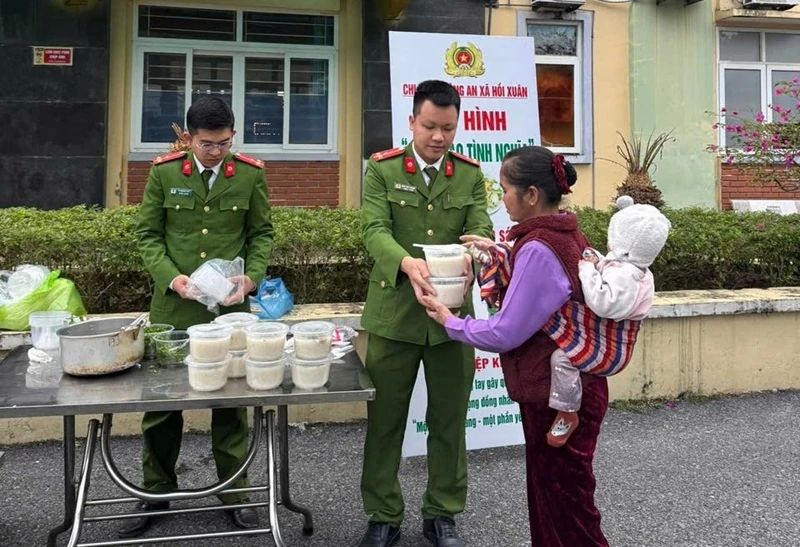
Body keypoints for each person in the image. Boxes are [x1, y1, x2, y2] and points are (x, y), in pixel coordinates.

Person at [423, 146, 611, 546]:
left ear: (530, 195)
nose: (500, 199)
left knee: (567, 507)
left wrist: (450, 321)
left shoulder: (540, 248)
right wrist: (498, 252)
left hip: (557, 397)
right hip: (569, 388)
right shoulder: (564, 233)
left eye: (505, 190)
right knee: (555, 498)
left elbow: (506, 331)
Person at [124, 96, 274, 538]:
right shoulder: (165, 173)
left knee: (230, 403)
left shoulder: (249, 175)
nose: (216, 151)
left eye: (225, 143)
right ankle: (155, 493)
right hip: (173, 309)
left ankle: (236, 495)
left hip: (229, 312)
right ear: (188, 138)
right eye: (208, 144)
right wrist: (173, 279)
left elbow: (261, 233)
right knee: (161, 407)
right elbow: (148, 235)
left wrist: (251, 280)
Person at [358, 80, 493, 547]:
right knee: (385, 421)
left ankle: (442, 514)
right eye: (430, 126)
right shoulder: (382, 170)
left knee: (450, 420)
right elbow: (373, 228)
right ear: (412, 121)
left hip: (453, 318)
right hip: (395, 315)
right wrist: (405, 261)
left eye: (448, 129)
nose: (439, 137)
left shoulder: (470, 174)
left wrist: (475, 257)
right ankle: (382, 515)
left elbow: (480, 225)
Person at [468, 195, 671, 447]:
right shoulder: (621, 264)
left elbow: (603, 303)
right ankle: (567, 410)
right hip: (600, 343)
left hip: (609, 347)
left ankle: (566, 411)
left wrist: (587, 270)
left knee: (562, 359)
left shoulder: (629, 276)